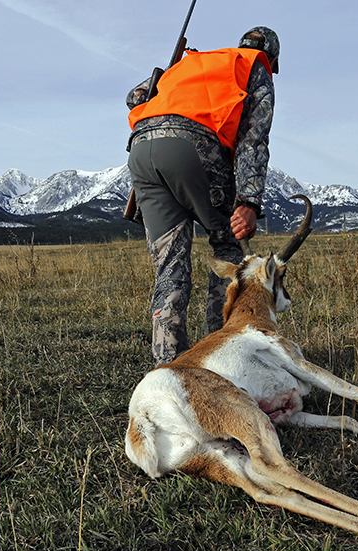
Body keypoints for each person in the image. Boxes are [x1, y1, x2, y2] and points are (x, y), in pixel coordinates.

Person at [126, 26, 278, 366]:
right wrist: (249, 202)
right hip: (192, 149)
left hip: (140, 150)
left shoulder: (192, 64)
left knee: (169, 264)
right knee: (227, 243)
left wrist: (162, 83)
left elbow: (134, 97)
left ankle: (168, 365)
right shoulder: (255, 66)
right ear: (273, 57)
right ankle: (223, 352)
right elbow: (254, 140)